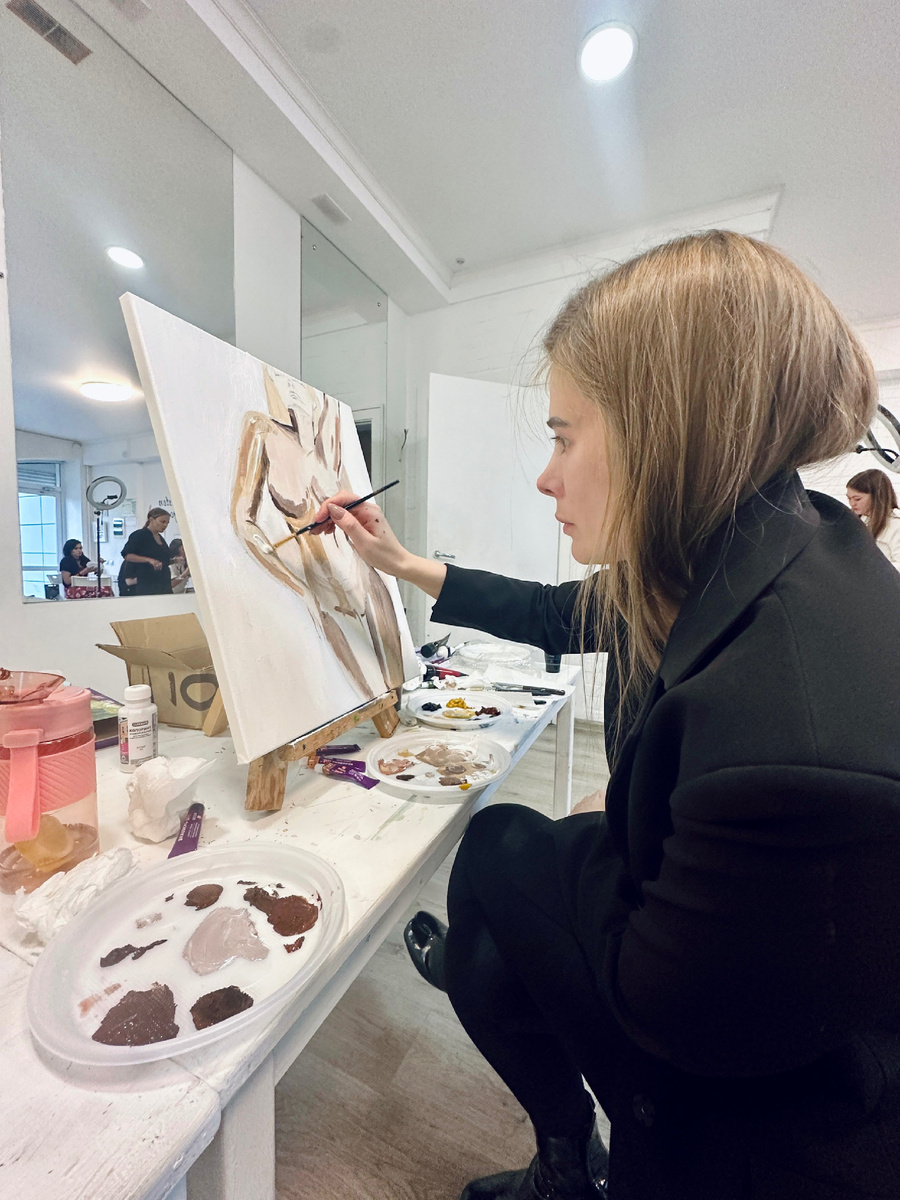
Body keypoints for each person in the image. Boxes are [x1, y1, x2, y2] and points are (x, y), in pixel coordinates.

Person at [312, 232, 900, 1200]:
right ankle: (556, 1143)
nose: (545, 476)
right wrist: (399, 562)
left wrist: (612, 817)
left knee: (497, 854)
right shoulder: (768, 542)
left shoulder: (784, 736)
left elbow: (662, 1005)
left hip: (771, 1132)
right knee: (491, 911)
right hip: (755, 1002)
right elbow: (556, 612)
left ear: (663, 433)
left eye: (563, 436)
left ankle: (563, 1140)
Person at [846, 467, 900, 565]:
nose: (852, 503)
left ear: (877, 497)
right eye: (849, 498)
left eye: (857, 499)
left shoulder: (896, 525)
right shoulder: (853, 521)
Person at [117, 508, 172, 596]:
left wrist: (174, 560)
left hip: (162, 582)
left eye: (167, 523)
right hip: (146, 583)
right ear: (151, 520)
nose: (165, 525)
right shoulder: (139, 535)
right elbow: (127, 555)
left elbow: (163, 560)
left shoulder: (161, 538)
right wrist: (149, 560)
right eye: (162, 522)